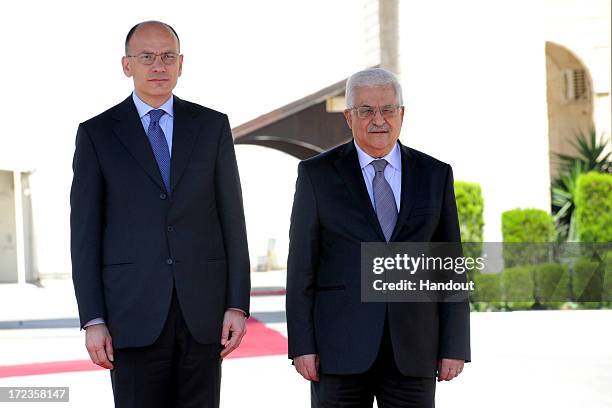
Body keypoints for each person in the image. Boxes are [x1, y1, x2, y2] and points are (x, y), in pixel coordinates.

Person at [70, 21, 250, 408]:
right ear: (126, 65)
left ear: (181, 64)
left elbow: (233, 220)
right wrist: (93, 318)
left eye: (168, 56)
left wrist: (237, 303)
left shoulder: (212, 127)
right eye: (146, 57)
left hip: (203, 315)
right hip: (130, 317)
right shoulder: (97, 134)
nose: (158, 66)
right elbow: (84, 235)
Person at [286, 67, 470, 407]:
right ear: (348, 116)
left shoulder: (435, 174)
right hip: (339, 350)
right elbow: (301, 267)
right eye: (366, 110)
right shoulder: (316, 175)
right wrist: (302, 344)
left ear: (402, 114)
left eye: (387, 109)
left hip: (414, 350)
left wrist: (454, 346)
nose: (378, 120)